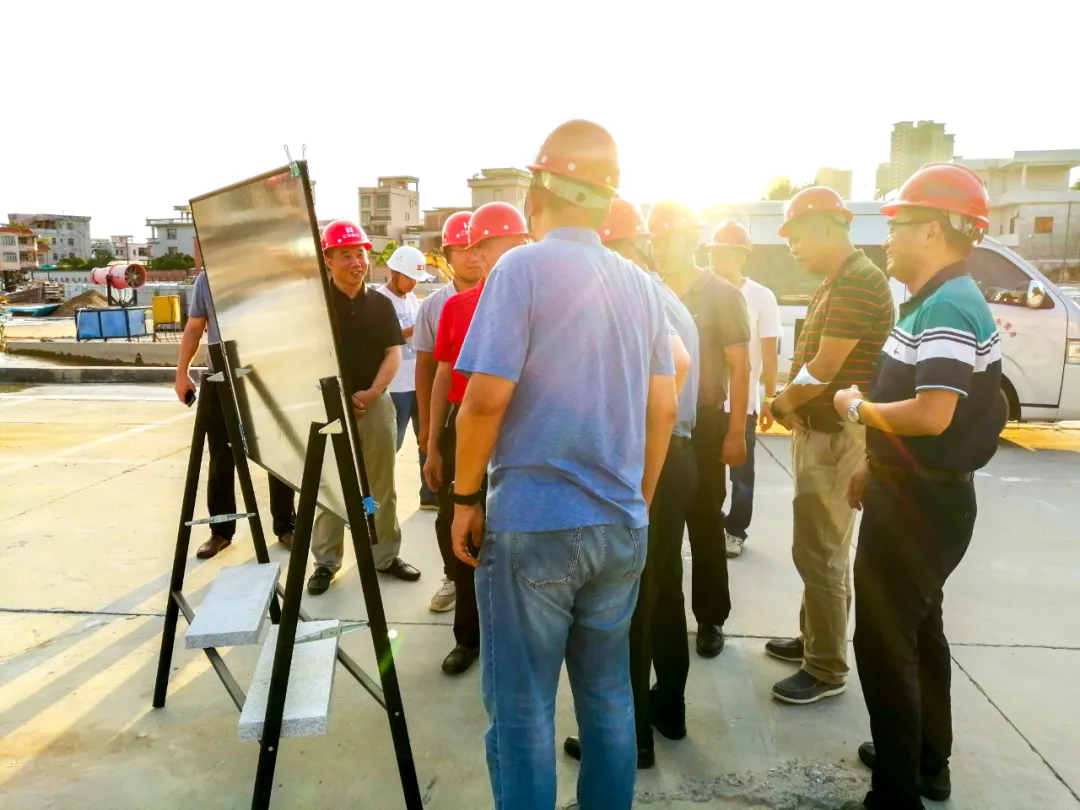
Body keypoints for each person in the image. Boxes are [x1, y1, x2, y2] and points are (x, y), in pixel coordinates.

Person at [450, 120, 679, 810]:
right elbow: (664, 407)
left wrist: (464, 499)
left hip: (535, 526)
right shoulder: (641, 285)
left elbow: (484, 401)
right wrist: (636, 500)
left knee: (522, 708)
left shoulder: (520, 268)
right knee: (608, 696)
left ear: (536, 194)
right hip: (620, 526)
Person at [833, 164, 1003, 810]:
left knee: (883, 643)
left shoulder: (949, 305)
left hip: (920, 505)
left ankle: (897, 791)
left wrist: (856, 409)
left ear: (933, 230)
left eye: (898, 224)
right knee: (919, 629)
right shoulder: (939, 299)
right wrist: (874, 463)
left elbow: (932, 415)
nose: (887, 237)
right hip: (917, 492)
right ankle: (926, 758)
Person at [563, 197, 697, 769]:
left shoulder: (633, 295)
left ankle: (632, 736)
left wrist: (639, 465)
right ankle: (669, 711)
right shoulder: (661, 293)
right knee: (664, 593)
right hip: (678, 455)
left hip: (653, 459)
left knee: (631, 604)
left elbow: (678, 364)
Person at [760, 187, 894, 704]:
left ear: (824, 228)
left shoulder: (857, 281)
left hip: (839, 436)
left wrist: (781, 403)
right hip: (823, 431)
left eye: (796, 236)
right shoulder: (838, 281)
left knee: (821, 552)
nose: (792, 247)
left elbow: (824, 367)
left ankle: (825, 667)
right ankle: (817, 637)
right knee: (820, 547)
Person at [423, 201, 530, 676]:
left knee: (515, 536)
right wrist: (432, 443)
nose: (495, 257)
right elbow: (443, 376)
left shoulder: (540, 305)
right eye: (485, 248)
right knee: (462, 530)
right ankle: (468, 635)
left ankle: (514, 633)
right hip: (465, 431)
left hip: (520, 433)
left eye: (516, 246)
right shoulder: (457, 308)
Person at [648, 199, 751, 660]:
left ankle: (711, 618)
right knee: (661, 527)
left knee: (706, 521)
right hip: (660, 422)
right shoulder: (649, 291)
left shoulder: (723, 294)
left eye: (667, 239)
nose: (659, 249)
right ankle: (661, 616)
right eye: (653, 240)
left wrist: (736, 433)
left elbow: (740, 367)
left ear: (690, 240)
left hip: (706, 422)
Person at [306, 220, 420, 595]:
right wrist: (338, 398)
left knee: (378, 485)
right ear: (328, 259)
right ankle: (326, 561)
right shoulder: (317, 306)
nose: (356, 262)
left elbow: (393, 353)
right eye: (346, 255)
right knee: (330, 484)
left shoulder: (380, 304)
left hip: (373, 404)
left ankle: (383, 555)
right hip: (327, 406)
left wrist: (372, 392)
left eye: (360, 254)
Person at [174, 254, 295, 560]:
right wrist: (181, 372)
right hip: (221, 377)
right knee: (221, 455)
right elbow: (195, 327)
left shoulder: (272, 272)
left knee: (278, 452)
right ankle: (221, 531)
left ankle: (286, 525)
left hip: (268, 375)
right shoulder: (207, 278)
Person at [414, 211, 484, 613]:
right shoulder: (437, 306)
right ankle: (453, 577)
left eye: (478, 248)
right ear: (447, 254)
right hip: (454, 418)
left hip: (499, 423)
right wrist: (429, 432)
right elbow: (430, 371)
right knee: (449, 510)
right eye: (462, 249)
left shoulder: (514, 296)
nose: (473, 256)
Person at [705, 221, 782, 558]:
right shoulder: (702, 292)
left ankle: (735, 532)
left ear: (741, 256)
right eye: (712, 252)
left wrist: (769, 398)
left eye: (724, 252)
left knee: (741, 476)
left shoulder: (761, 296)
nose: (716, 259)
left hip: (742, 404)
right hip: (706, 404)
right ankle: (711, 524)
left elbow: (769, 353)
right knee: (706, 474)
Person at [377, 245, 436, 508]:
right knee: (393, 444)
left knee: (426, 438)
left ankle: (430, 495)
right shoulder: (379, 301)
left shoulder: (412, 298)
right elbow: (383, 340)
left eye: (416, 279)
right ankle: (377, 498)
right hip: (395, 386)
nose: (414, 283)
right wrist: (415, 329)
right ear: (394, 273)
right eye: (410, 277)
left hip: (418, 383)